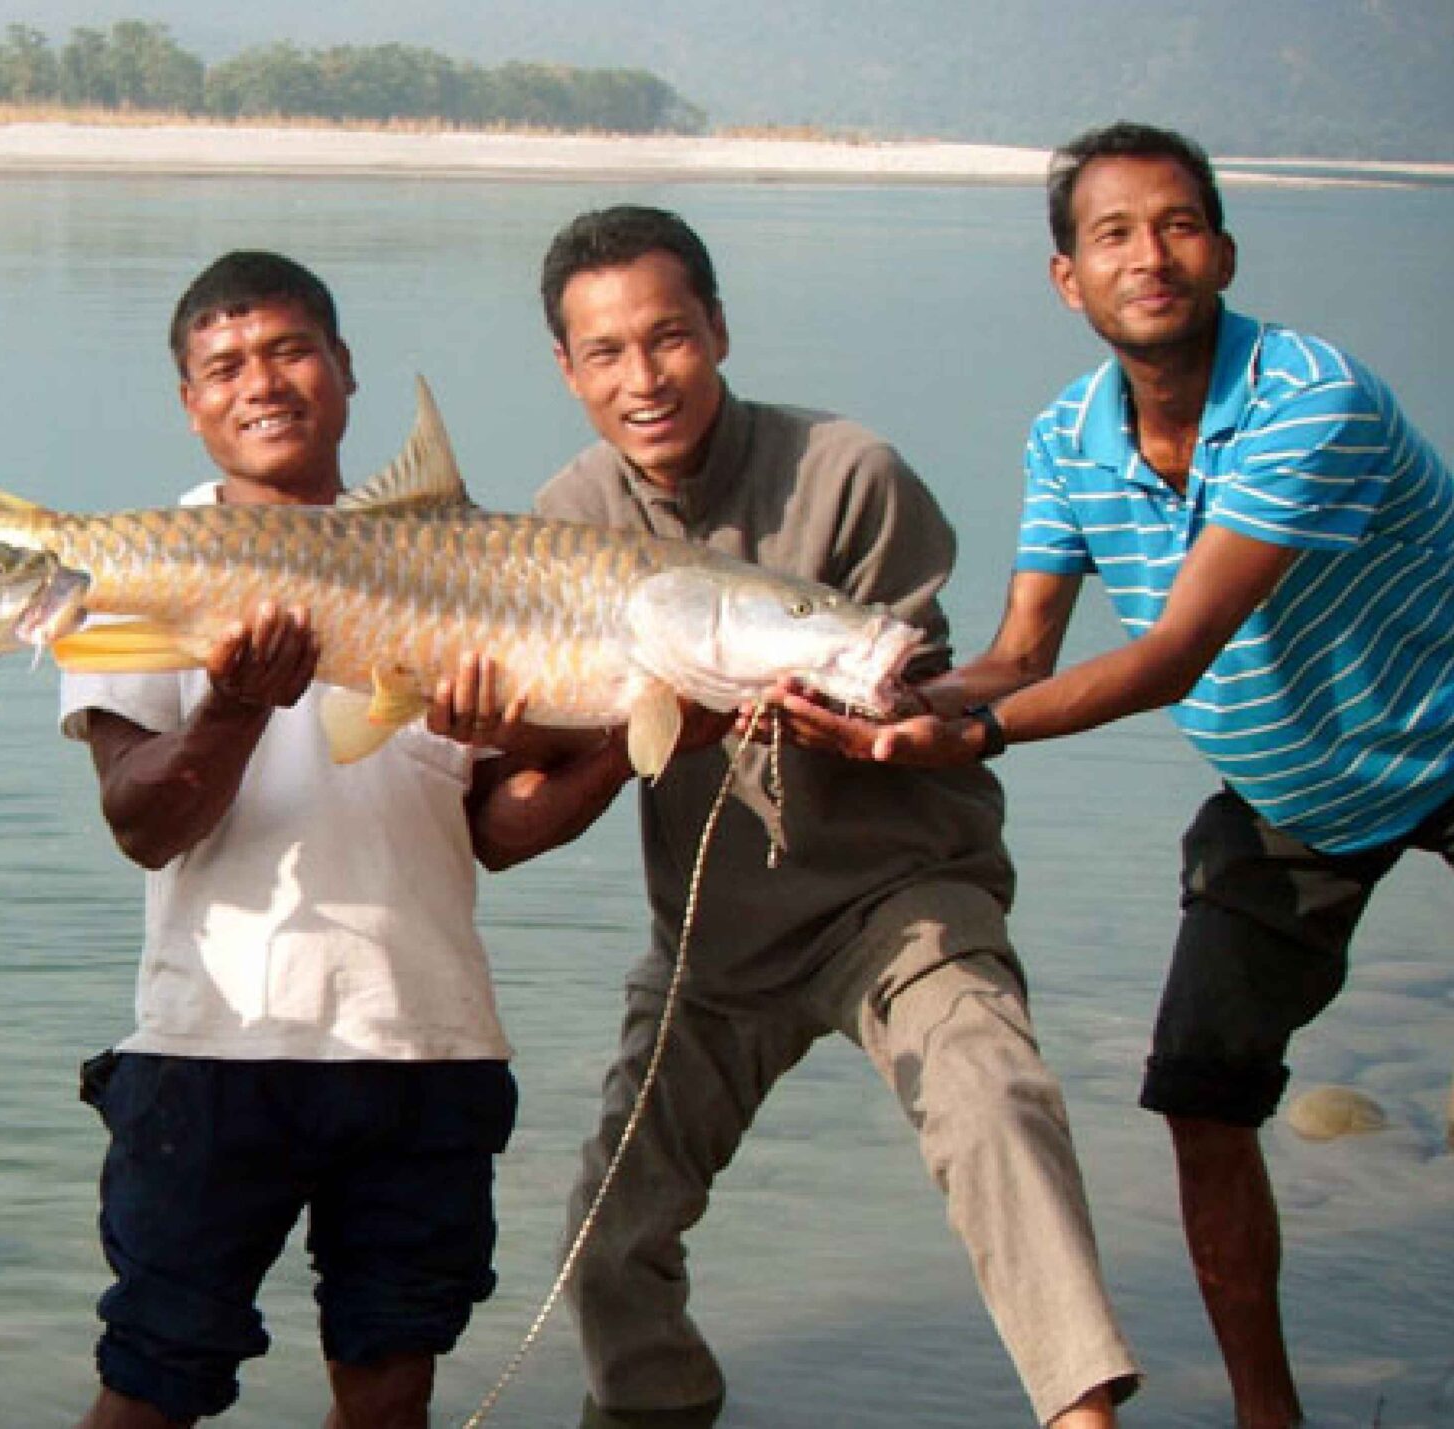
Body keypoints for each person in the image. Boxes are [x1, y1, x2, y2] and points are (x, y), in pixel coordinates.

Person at [788, 123, 1454, 1429]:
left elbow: (1172, 651)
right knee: (1202, 1096)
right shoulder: (1066, 439)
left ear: (1223, 250)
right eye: (1112, 234)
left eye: (1177, 225)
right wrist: (884, 702)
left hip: (1447, 747)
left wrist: (971, 739)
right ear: (1067, 279)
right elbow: (1021, 651)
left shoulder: (1310, 399)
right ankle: (1273, 1418)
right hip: (1293, 804)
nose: (1150, 256)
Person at [526, 206, 1141, 1428]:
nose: (642, 379)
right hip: (712, 940)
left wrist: (878, 714)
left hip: (894, 900)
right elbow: (541, 762)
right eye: (605, 353)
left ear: (717, 329)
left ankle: (1082, 1415)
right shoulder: (566, 517)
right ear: (568, 369)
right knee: (607, 1239)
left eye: (669, 338)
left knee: (993, 1098)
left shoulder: (847, 469)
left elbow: (927, 676)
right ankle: (658, 1409)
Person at [58, 250, 616, 1429]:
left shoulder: (473, 566)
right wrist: (234, 702)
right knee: (153, 1381)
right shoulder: (141, 570)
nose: (261, 382)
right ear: (189, 403)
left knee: (390, 1386)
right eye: (224, 365)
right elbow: (141, 822)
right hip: (213, 1049)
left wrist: (632, 736)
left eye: (289, 349)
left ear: (346, 370)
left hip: (428, 1043)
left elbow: (498, 836)